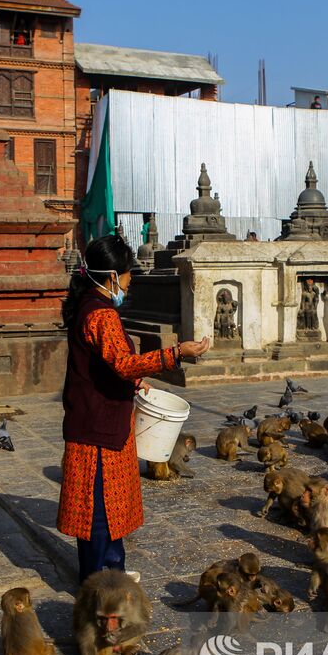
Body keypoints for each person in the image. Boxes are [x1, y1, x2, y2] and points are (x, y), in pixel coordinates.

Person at [58, 234, 212, 581]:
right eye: (128, 276)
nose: (129, 284)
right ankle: (100, 580)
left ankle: (111, 569)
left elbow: (107, 364)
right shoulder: (101, 316)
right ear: (112, 276)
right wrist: (177, 354)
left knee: (106, 503)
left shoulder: (88, 305)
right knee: (99, 507)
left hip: (98, 416)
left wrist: (134, 382)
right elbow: (124, 363)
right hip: (99, 424)